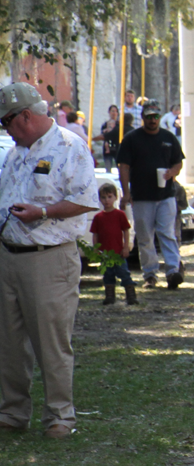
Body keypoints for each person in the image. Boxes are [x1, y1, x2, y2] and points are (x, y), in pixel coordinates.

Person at [0, 82, 101, 439]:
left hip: (49, 258)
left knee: (51, 341)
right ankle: (12, 412)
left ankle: (60, 416)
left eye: (7, 122)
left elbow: (86, 200)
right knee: (9, 342)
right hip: (8, 256)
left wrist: (43, 211)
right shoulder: (15, 153)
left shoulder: (69, 146)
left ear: (25, 116)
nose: (6, 130)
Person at [116, 101, 186, 290]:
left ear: (159, 117)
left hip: (166, 195)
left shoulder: (168, 137)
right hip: (141, 197)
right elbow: (123, 166)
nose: (152, 120)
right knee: (145, 237)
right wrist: (126, 193)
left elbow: (178, 162)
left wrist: (172, 172)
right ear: (143, 117)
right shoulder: (131, 139)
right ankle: (150, 275)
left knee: (167, 233)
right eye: (149, 117)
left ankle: (173, 272)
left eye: (155, 116)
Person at [90, 183, 137, 305]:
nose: (107, 200)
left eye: (110, 197)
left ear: (116, 197)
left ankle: (131, 296)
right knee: (108, 275)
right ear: (99, 199)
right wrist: (96, 249)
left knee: (124, 273)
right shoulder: (98, 217)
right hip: (105, 254)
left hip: (119, 252)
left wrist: (126, 247)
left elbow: (126, 231)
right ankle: (110, 297)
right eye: (103, 197)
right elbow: (95, 234)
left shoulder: (120, 214)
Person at [92, 105, 122, 173]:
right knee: (108, 168)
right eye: (112, 111)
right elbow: (103, 135)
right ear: (109, 112)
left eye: (116, 111)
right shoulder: (105, 124)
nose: (114, 113)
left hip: (117, 147)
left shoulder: (119, 125)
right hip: (107, 147)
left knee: (120, 168)